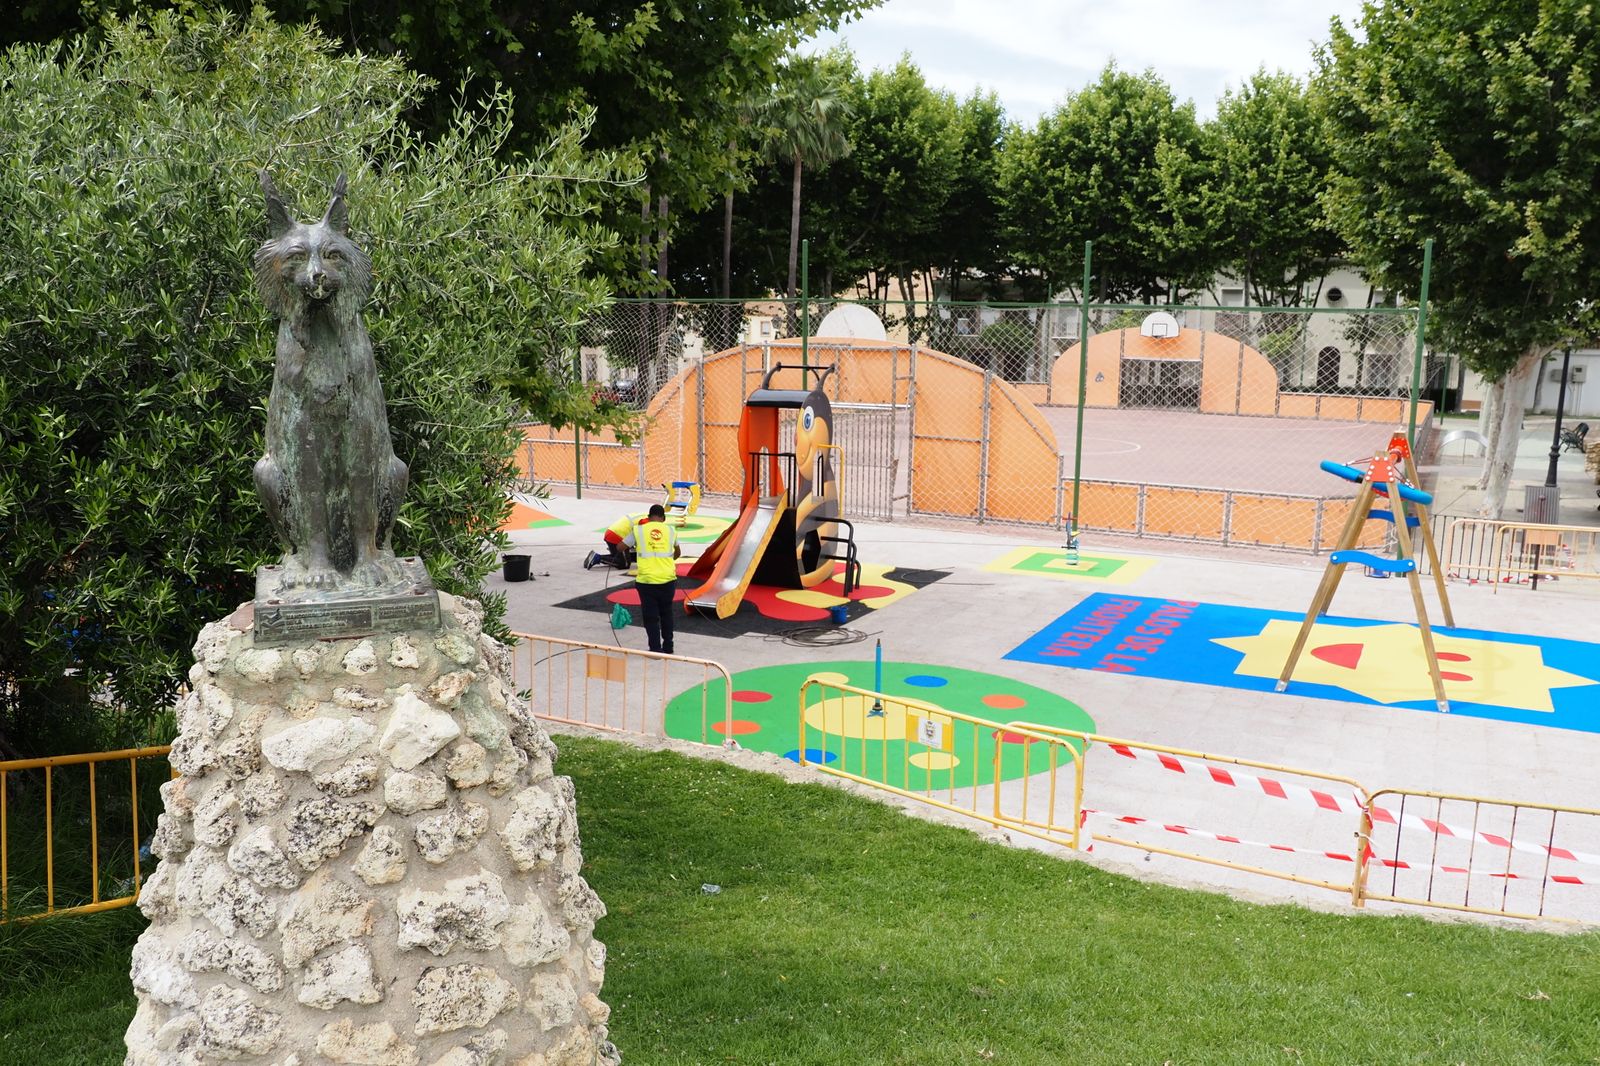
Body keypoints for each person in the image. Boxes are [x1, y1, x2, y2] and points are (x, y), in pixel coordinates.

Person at [624, 504, 681, 654]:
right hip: (668, 579)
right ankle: (669, 647)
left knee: (651, 617)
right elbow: (678, 553)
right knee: (666, 613)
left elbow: (619, 546)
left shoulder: (639, 530)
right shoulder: (670, 530)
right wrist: (667, 560)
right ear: (663, 518)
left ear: (648, 517)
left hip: (647, 581)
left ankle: (655, 649)